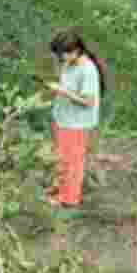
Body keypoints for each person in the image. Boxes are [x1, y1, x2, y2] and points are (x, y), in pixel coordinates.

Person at [46, 31, 104, 207]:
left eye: (62, 54)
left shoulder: (88, 70)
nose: (60, 58)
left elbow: (88, 101)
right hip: (62, 118)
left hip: (76, 123)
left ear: (76, 50)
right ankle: (60, 188)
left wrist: (62, 91)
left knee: (72, 161)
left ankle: (69, 199)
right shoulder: (69, 63)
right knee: (60, 157)